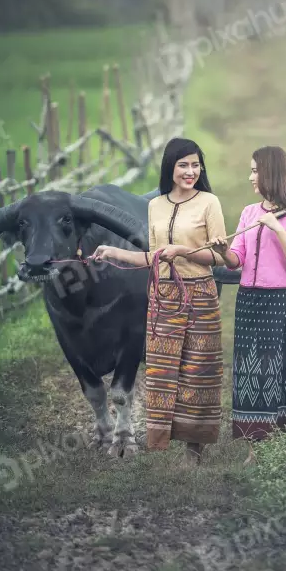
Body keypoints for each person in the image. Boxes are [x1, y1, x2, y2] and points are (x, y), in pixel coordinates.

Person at [94, 137, 227, 467]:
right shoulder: (156, 206)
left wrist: (183, 251)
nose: (191, 171)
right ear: (170, 167)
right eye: (184, 165)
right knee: (163, 372)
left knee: (197, 371)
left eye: (196, 165)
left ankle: (194, 452)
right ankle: (164, 439)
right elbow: (152, 257)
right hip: (164, 296)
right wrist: (113, 252)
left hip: (199, 294)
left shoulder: (209, 203)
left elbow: (220, 258)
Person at [210, 145, 286, 462]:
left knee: (275, 369)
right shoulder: (249, 213)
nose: (251, 176)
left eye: (255, 170)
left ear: (271, 172)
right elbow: (236, 260)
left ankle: (282, 440)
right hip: (249, 301)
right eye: (251, 170)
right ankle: (256, 445)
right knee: (250, 370)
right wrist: (223, 250)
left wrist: (278, 229)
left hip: (278, 301)